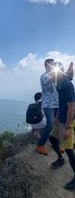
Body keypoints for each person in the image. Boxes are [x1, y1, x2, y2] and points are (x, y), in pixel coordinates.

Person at [48, 62, 75, 190]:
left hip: (68, 120)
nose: (51, 75)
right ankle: (60, 158)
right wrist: (57, 118)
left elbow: (72, 107)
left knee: (69, 151)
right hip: (61, 118)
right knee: (52, 138)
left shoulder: (67, 86)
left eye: (53, 72)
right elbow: (61, 103)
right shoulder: (59, 83)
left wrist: (68, 128)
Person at [36, 59, 59, 155]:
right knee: (49, 124)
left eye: (54, 64)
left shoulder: (55, 75)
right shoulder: (44, 76)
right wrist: (59, 71)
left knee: (57, 124)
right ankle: (40, 145)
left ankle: (55, 144)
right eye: (52, 64)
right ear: (46, 65)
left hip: (57, 103)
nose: (53, 66)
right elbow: (53, 79)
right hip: (48, 105)